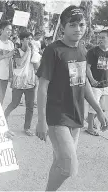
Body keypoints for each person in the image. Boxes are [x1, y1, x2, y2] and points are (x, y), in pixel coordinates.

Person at [36, 6, 108, 191]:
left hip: (76, 116)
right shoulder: (53, 50)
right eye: (73, 24)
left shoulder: (82, 51)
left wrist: (99, 110)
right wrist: (41, 121)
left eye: (82, 24)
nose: (78, 28)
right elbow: (42, 87)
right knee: (68, 167)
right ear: (63, 27)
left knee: (60, 161)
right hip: (57, 117)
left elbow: (83, 84)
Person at [4, 31, 36, 136]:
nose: (30, 41)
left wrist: (34, 53)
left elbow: (37, 64)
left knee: (30, 106)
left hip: (30, 81)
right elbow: (19, 63)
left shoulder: (34, 50)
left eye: (31, 39)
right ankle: (3, 117)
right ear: (22, 40)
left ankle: (27, 127)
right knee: (15, 103)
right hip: (18, 81)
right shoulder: (16, 51)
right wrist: (27, 51)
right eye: (28, 39)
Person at [86, 29, 108, 136]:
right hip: (95, 84)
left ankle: (89, 119)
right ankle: (90, 127)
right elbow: (87, 67)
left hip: (106, 84)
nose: (100, 40)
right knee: (93, 107)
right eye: (99, 37)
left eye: (103, 37)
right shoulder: (93, 51)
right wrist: (92, 80)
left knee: (103, 107)